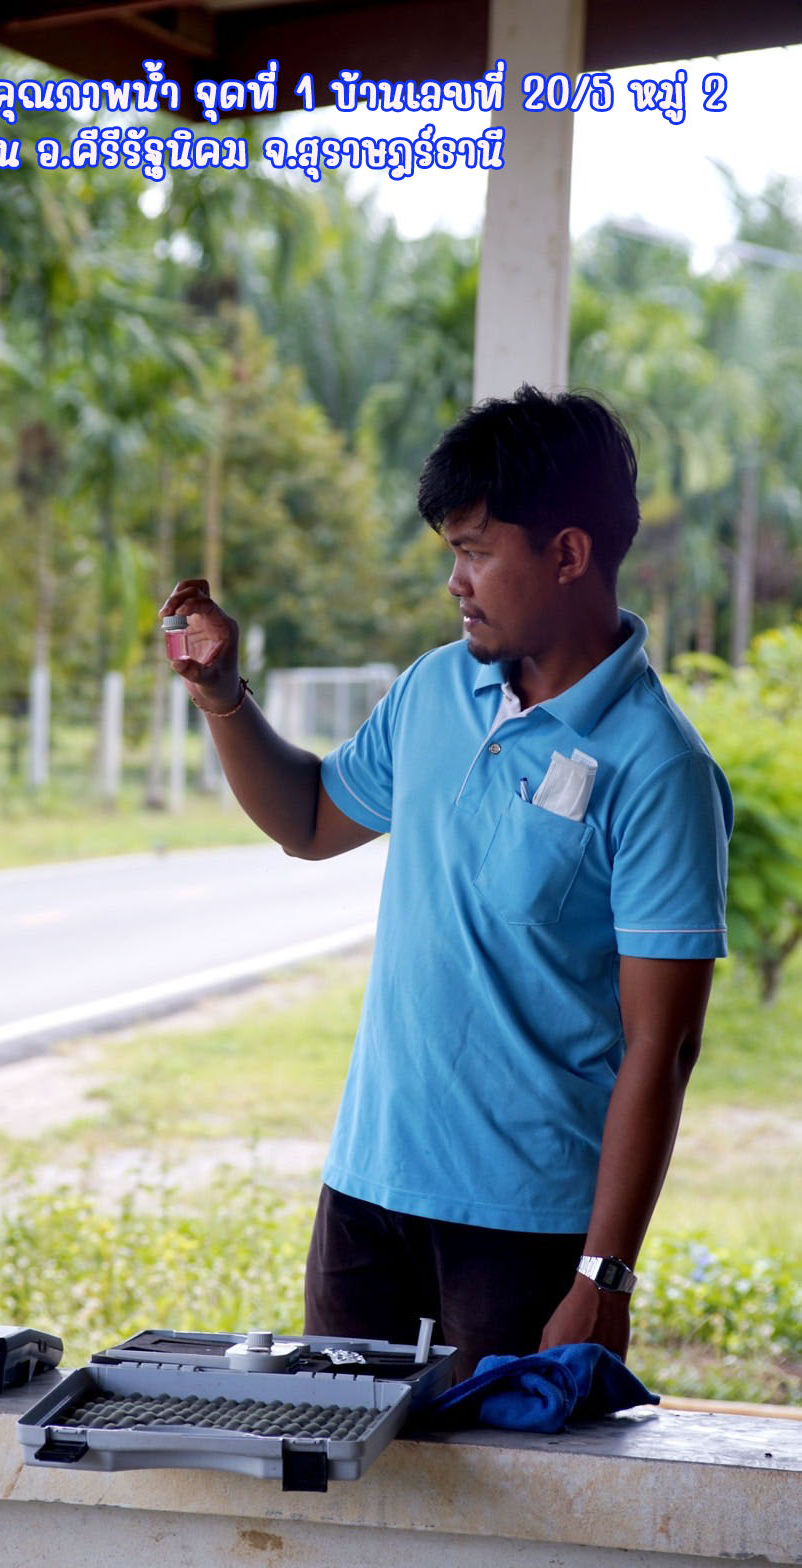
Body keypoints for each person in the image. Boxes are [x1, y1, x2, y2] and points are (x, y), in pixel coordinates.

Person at [159, 385, 732, 1381]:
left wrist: (602, 1273)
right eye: (449, 552)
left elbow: (662, 1043)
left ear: (565, 553)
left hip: (521, 1233)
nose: (455, 581)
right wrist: (222, 697)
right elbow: (305, 818)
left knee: (499, 1514)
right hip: (366, 1193)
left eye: (475, 550)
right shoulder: (434, 689)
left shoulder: (659, 768)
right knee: (346, 1498)